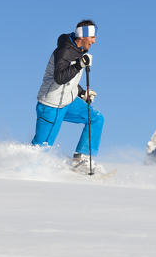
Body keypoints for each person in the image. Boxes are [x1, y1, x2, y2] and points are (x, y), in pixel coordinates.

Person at [31, 19, 104, 172]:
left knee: (96, 118)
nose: (95, 41)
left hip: (67, 102)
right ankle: (15, 170)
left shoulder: (79, 51)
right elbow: (59, 78)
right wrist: (79, 65)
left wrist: (82, 93)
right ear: (83, 36)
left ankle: (81, 160)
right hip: (52, 106)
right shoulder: (64, 51)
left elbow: (69, 81)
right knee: (39, 153)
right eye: (92, 37)